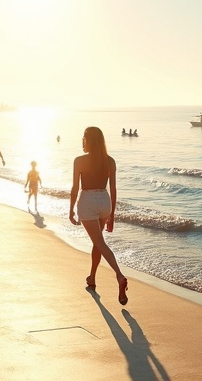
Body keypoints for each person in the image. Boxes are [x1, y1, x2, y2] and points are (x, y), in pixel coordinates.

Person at [69, 126, 129, 305]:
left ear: (89, 141)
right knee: (98, 241)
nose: (82, 142)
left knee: (100, 242)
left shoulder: (79, 160)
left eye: (83, 138)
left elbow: (74, 188)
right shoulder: (110, 161)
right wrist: (112, 214)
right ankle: (92, 277)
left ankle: (119, 275)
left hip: (87, 201)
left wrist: (71, 209)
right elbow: (114, 189)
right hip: (104, 200)